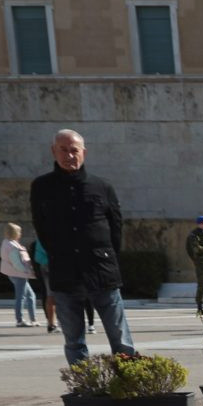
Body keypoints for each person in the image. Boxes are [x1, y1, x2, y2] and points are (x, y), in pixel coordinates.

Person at [29, 127, 137, 366]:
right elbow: (41, 227)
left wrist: (107, 256)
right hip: (65, 271)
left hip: (101, 269)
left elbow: (116, 228)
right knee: (74, 340)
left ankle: (129, 381)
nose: (69, 155)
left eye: (74, 150)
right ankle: (84, 383)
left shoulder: (102, 186)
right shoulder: (41, 187)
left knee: (120, 337)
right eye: (63, 150)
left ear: (84, 153)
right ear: (54, 152)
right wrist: (58, 253)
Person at [0, 222, 38, 327]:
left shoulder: (7, 243)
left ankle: (33, 319)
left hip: (15, 274)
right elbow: (17, 264)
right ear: (14, 232)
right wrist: (28, 272)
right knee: (21, 297)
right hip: (19, 274)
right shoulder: (12, 246)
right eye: (19, 231)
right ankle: (20, 320)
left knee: (30, 295)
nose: (20, 233)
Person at [27, 236, 58, 332]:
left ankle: (51, 323)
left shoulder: (40, 238)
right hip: (55, 266)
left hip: (44, 266)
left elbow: (37, 257)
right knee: (62, 295)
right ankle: (60, 322)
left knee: (50, 295)